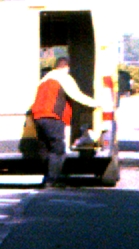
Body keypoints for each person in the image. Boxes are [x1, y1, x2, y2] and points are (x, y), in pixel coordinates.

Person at [29, 55, 98, 188]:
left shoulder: (44, 79)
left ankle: (47, 177)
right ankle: (52, 180)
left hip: (38, 117)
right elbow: (76, 95)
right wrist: (96, 103)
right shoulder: (63, 77)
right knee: (58, 150)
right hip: (53, 117)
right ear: (66, 67)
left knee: (46, 149)